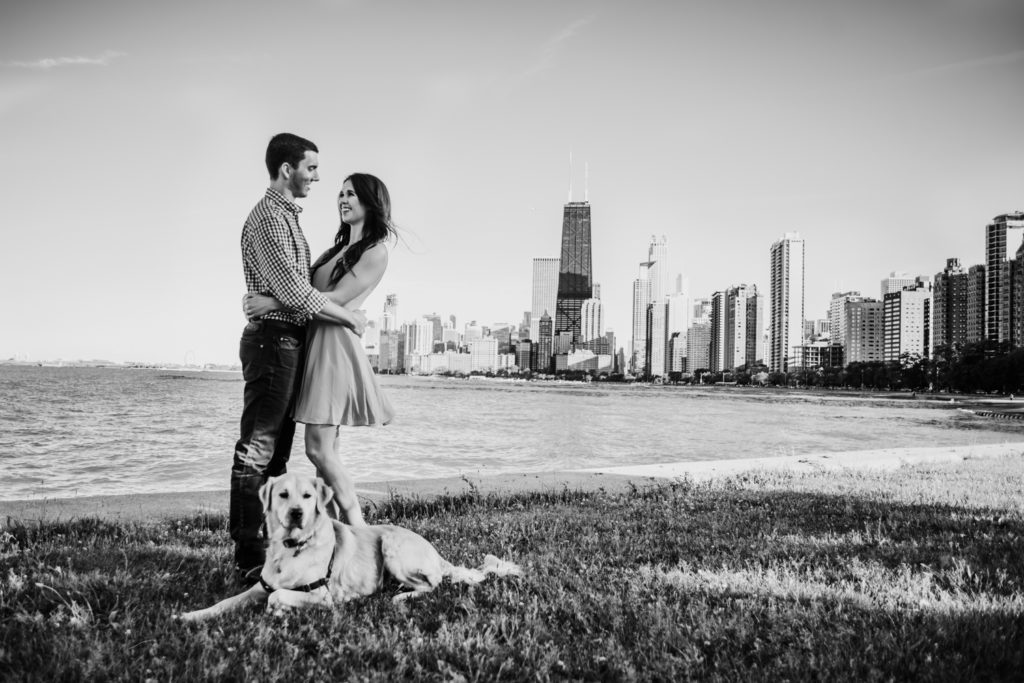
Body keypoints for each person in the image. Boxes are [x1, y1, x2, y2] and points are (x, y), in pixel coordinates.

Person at [233, 133, 366, 584]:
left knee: (275, 455)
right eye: (311, 167)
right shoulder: (270, 218)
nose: (317, 176)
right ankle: (249, 554)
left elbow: (293, 289)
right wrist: (347, 317)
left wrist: (270, 302)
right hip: (273, 342)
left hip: (286, 339)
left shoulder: (287, 218)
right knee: (257, 451)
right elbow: (297, 292)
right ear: (287, 169)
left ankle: (271, 549)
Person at [244, 172, 396, 528]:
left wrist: (271, 302)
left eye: (353, 195)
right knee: (326, 453)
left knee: (318, 448)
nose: (343, 200)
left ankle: (358, 528)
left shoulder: (376, 251)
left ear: (372, 203)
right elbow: (315, 295)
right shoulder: (338, 249)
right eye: (341, 194)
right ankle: (328, 531)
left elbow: (337, 298)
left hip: (334, 351)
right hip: (316, 342)